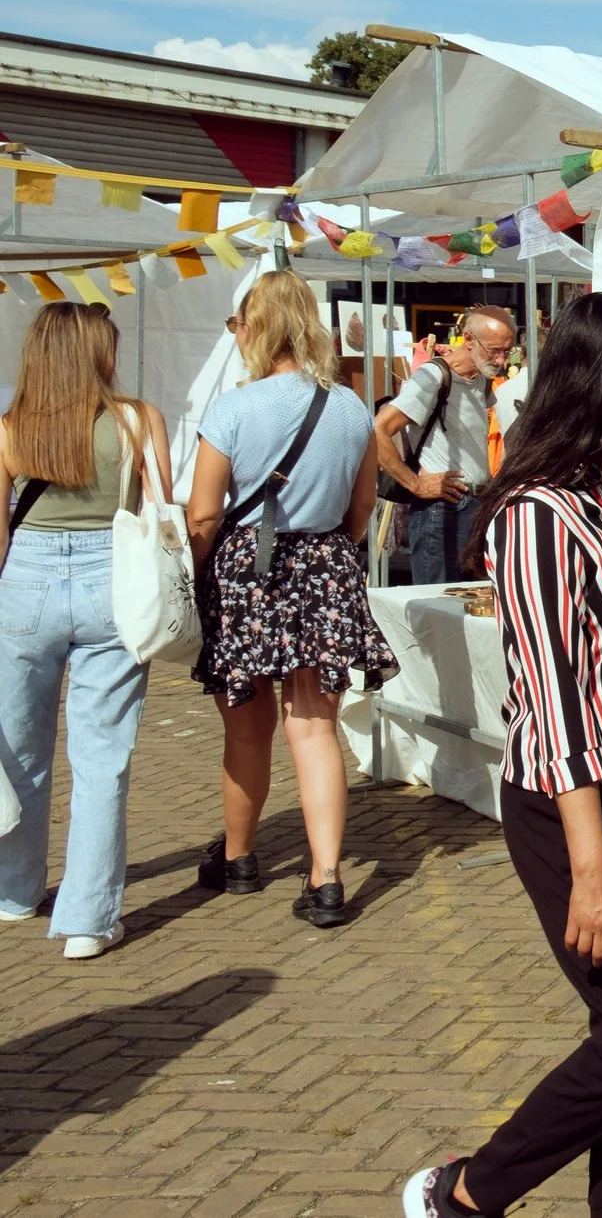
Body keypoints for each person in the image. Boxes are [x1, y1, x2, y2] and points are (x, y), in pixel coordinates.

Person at [402, 292, 602, 1218]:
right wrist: (592, 869)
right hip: (583, 805)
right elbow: (552, 699)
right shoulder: (539, 515)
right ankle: (465, 1192)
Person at [188, 269, 398, 928]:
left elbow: (202, 513)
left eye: (238, 323)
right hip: (325, 563)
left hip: (247, 570)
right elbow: (362, 507)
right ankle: (326, 878)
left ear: (255, 328)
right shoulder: (350, 407)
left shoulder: (232, 407)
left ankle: (240, 859)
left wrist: (202, 573)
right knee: (313, 726)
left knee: (246, 724)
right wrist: (329, 551)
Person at [0, 304, 174, 958]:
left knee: (19, 749)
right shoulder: (138, 419)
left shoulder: (11, 427)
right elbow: (162, 513)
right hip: (115, 581)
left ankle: (14, 891)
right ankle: (86, 921)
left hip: (26, 583)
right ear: (99, 351)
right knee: (102, 759)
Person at [374, 305, 519, 584]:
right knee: (437, 599)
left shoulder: (480, 379)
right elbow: (379, 429)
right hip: (441, 510)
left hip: (474, 505)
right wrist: (415, 484)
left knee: (471, 599)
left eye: (507, 351)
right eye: (494, 350)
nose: (501, 359)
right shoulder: (433, 376)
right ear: (469, 339)